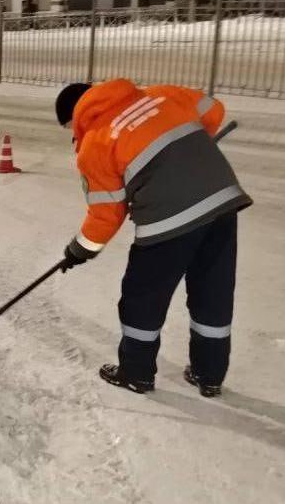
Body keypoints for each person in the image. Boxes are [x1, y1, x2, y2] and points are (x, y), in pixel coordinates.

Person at [54, 80, 252, 397]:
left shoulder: (95, 141)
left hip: (168, 219)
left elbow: (106, 215)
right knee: (212, 291)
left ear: (75, 116)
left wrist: (79, 250)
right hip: (221, 199)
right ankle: (209, 375)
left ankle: (135, 373)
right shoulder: (161, 95)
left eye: (69, 128)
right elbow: (213, 110)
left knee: (143, 297)